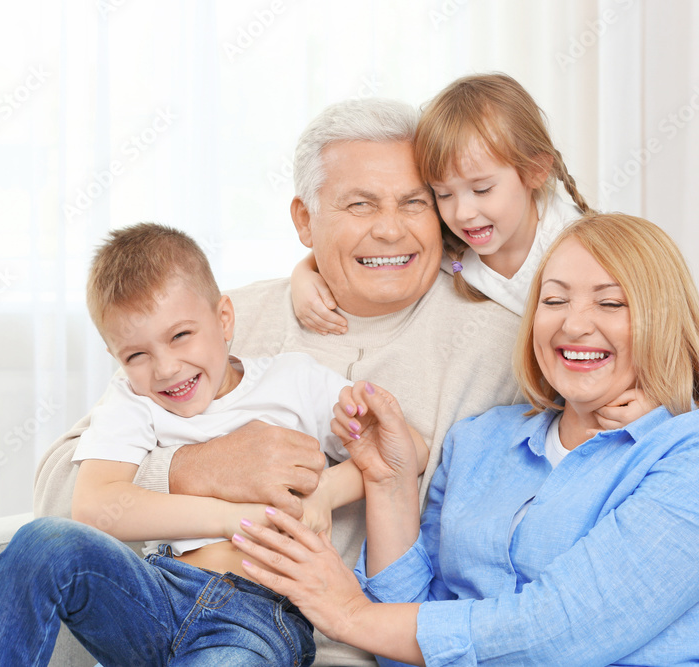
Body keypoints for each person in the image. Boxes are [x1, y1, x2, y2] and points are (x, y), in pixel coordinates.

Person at [31, 98, 525, 666]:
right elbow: (58, 491)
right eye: (360, 204)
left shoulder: (503, 346)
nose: (390, 229)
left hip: (363, 646)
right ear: (304, 220)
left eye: (413, 202)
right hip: (183, 619)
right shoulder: (214, 321)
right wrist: (194, 468)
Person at [234, 212, 699, 666]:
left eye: (611, 303)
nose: (573, 325)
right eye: (554, 301)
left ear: (662, 321)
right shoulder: (481, 442)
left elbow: (561, 633)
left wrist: (352, 614)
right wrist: (390, 481)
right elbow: (408, 646)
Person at [0, 223, 428, 665]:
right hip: (155, 592)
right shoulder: (133, 399)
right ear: (116, 357)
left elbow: (406, 447)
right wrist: (235, 518)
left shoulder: (294, 381)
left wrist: (324, 492)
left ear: (224, 318)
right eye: (137, 355)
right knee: (42, 542)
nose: (166, 368)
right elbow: (94, 506)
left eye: (180, 335)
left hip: (253, 618)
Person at [291, 72, 592, 333]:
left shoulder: (581, 246)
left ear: (535, 171)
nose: (462, 213)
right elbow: (368, 252)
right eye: (443, 194)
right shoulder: (455, 247)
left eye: (483, 189)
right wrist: (304, 276)